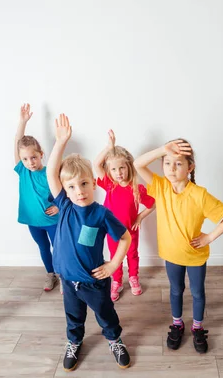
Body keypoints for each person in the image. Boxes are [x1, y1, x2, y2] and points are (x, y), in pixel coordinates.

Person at [46, 113, 132, 371]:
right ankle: (74, 341)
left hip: (94, 281)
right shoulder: (64, 205)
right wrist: (60, 142)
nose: (79, 191)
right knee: (73, 317)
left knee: (105, 314)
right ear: (64, 189)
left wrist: (114, 264)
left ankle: (114, 340)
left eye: (84, 184)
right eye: (71, 187)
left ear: (94, 183)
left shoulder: (101, 213)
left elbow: (125, 237)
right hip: (68, 281)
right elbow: (52, 172)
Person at [134, 138, 223, 353]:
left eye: (179, 163)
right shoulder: (160, 187)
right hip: (171, 255)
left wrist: (209, 238)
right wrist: (163, 149)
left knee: (197, 293)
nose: (171, 168)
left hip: (195, 256)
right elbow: (138, 164)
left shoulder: (200, 195)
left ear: (190, 167)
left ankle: (198, 327)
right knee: (176, 290)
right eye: (167, 162)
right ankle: (177, 324)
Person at [93, 129, 155, 301]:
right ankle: (117, 281)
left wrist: (140, 217)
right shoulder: (109, 185)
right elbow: (96, 164)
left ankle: (134, 278)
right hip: (113, 231)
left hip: (130, 230)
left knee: (132, 255)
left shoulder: (137, 189)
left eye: (122, 167)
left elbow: (153, 204)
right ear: (109, 171)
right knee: (115, 257)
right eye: (113, 169)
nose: (118, 172)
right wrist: (109, 147)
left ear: (129, 167)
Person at [14, 103, 61, 292]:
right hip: (33, 221)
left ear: (41, 155)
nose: (29, 162)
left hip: (52, 220)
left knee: (58, 248)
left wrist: (58, 206)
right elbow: (17, 142)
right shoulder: (22, 171)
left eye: (33, 157)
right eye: (25, 159)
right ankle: (51, 274)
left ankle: (63, 274)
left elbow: (63, 191)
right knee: (43, 248)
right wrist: (22, 122)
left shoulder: (49, 172)